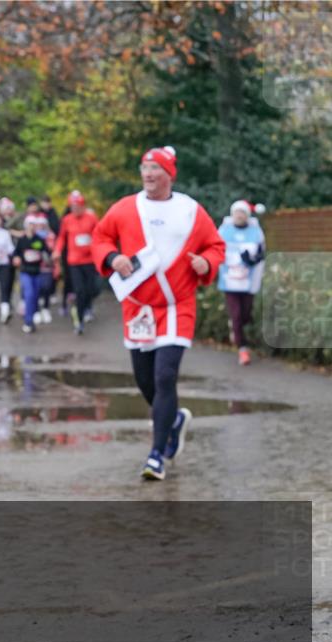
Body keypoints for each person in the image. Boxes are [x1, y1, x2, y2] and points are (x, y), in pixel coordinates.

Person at [91, 146, 225, 481]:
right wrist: (111, 259)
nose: (149, 174)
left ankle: (156, 455)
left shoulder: (190, 210)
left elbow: (216, 245)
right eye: (145, 168)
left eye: (156, 168)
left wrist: (206, 263)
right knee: (145, 379)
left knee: (165, 376)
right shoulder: (125, 207)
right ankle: (174, 420)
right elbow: (101, 237)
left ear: (169, 174)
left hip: (178, 305)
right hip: (138, 308)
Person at [218, 200, 266, 366]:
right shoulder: (224, 231)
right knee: (236, 315)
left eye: (243, 213)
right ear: (232, 215)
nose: (239, 216)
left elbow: (261, 254)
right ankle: (242, 350)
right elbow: (215, 251)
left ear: (247, 215)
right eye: (237, 212)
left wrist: (251, 260)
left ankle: (238, 328)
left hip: (248, 281)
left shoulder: (256, 232)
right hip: (229, 281)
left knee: (245, 314)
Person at [54, 190, 100, 335]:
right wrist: (57, 250)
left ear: (83, 205)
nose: (75, 209)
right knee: (79, 290)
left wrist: (97, 249)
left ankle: (87, 307)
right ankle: (79, 320)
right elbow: (61, 237)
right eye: (73, 207)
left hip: (90, 260)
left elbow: (99, 235)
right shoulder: (67, 220)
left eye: (78, 206)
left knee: (91, 288)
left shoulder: (91, 218)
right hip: (74, 261)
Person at [13, 216, 52, 333]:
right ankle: (28, 321)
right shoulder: (22, 240)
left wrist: (48, 258)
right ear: (26, 225)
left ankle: (33, 316)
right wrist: (16, 259)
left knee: (35, 296)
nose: (32, 226)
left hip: (37, 272)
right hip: (25, 272)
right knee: (29, 294)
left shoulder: (39, 239)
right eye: (30, 224)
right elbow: (16, 253)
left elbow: (47, 253)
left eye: (34, 224)